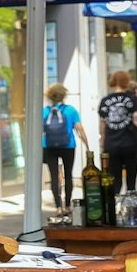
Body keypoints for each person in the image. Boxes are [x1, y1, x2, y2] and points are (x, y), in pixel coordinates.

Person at [41, 83, 90, 223]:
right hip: (68, 146)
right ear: (64, 95)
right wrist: (86, 145)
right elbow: (79, 129)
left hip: (49, 146)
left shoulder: (45, 111)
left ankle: (58, 207)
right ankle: (68, 206)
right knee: (68, 175)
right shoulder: (71, 110)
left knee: (54, 176)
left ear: (49, 96)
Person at [96, 70, 137, 200]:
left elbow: (103, 124)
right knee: (131, 179)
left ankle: (116, 205)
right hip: (130, 143)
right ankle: (131, 205)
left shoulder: (105, 100)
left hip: (111, 144)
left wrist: (102, 144)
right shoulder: (132, 99)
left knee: (115, 179)